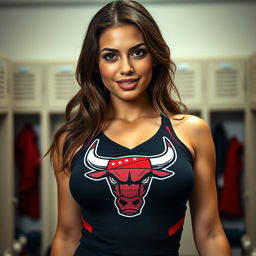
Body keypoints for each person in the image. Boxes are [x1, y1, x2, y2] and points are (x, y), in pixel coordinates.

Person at [47, 0, 231, 255]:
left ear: (154, 57)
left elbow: (210, 232)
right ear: (96, 66)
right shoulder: (70, 139)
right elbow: (67, 235)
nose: (126, 68)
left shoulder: (191, 131)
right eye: (110, 56)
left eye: (138, 52)